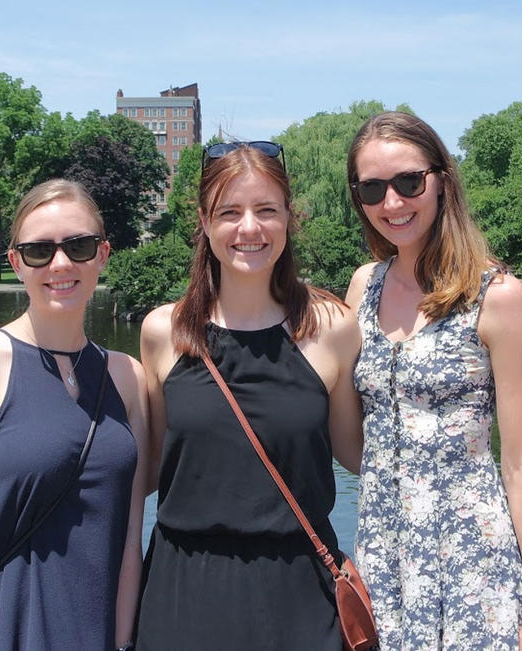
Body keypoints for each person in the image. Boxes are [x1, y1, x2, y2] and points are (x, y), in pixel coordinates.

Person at [343, 112, 522, 651]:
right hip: (382, 553)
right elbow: (354, 439)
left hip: (471, 560)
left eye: (408, 182)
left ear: (442, 179)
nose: (391, 203)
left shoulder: (495, 295)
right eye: (373, 188)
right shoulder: (362, 288)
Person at [135, 142, 363, 650]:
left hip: (302, 595)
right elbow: (142, 472)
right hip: (183, 595)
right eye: (230, 212)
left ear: (289, 217)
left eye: (266, 210)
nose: (250, 229)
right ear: (204, 221)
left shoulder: (333, 329)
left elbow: (361, 454)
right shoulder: (162, 333)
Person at [0, 179, 148, 650]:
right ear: (17, 263)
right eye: (39, 251)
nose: (61, 264)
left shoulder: (128, 379)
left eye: (78, 246)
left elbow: (129, 541)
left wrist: (121, 643)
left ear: (102, 254)